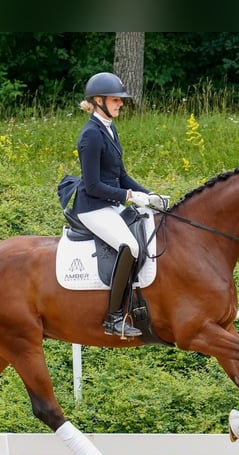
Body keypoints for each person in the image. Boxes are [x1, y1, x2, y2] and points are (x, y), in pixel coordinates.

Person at [71, 72, 163, 338]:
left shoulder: (109, 128)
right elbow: (93, 186)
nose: (121, 103)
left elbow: (121, 175)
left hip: (110, 202)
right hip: (93, 207)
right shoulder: (91, 135)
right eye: (115, 99)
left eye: (120, 100)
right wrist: (130, 197)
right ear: (98, 100)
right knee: (130, 246)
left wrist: (150, 195)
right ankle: (113, 317)